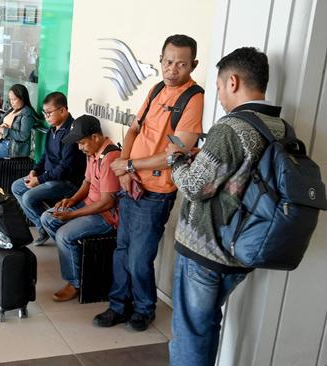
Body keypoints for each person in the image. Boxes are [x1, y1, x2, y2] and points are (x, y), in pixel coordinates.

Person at [166, 47, 283, 366]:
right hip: (240, 248)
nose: (218, 95)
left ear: (232, 82)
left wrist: (174, 158)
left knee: (190, 333)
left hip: (205, 250)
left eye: (217, 87)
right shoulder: (279, 127)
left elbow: (194, 186)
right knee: (206, 326)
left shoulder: (231, 128)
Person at [92, 34, 204, 332]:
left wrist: (129, 165)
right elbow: (132, 132)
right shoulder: (156, 90)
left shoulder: (192, 99)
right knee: (122, 249)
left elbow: (175, 154)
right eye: (168, 62)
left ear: (193, 65)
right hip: (131, 186)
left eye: (181, 64)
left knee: (139, 258)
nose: (172, 69)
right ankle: (118, 306)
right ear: (160, 60)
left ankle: (144, 309)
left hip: (154, 193)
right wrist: (126, 173)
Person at [40, 115, 121, 302]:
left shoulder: (109, 157)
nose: (80, 148)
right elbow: (87, 181)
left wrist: (73, 215)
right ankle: (72, 258)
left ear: (95, 137)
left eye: (82, 143)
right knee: (48, 218)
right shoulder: (92, 153)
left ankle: (75, 282)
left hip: (105, 216)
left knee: (64, 235)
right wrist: (71, 200)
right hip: (89, 205)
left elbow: (108, 202)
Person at [12, 92, 86, 245]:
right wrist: (34, 171)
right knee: (17, 187)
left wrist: (39, 180)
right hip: (49, 177)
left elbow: (64, 168)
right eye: (44, 113)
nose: (46, 116)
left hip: (67, 183)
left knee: (28, 197)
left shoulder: (71, 134)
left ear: (63, 110)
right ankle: (42, 226)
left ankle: (46, 226)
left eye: (49, 112)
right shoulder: (52, 130)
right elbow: (45, 155)